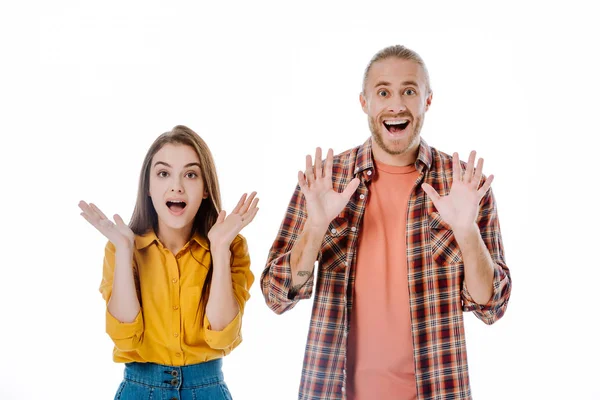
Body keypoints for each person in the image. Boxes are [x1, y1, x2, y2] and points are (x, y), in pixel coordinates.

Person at [261, 45, 512, 400]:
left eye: (409, 91)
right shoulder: (326, 180)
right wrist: (315, 228)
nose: (396, 104)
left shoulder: (463, 186)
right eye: (383, 92)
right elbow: (276, 296)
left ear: (427, 100)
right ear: (365, 102)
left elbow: (492, 306)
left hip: (438, 390)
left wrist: (467, 232)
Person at [79, 125, 258, 400]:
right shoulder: (121, 248)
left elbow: (222, 337)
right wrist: (125, 250)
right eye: (164, 173)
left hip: (208, 390)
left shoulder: (232, 247)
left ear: (206, 189)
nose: (177, 185)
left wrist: (220, 249)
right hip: (139, 390)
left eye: (190, 174)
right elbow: (124, 338)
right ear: (149, 187)